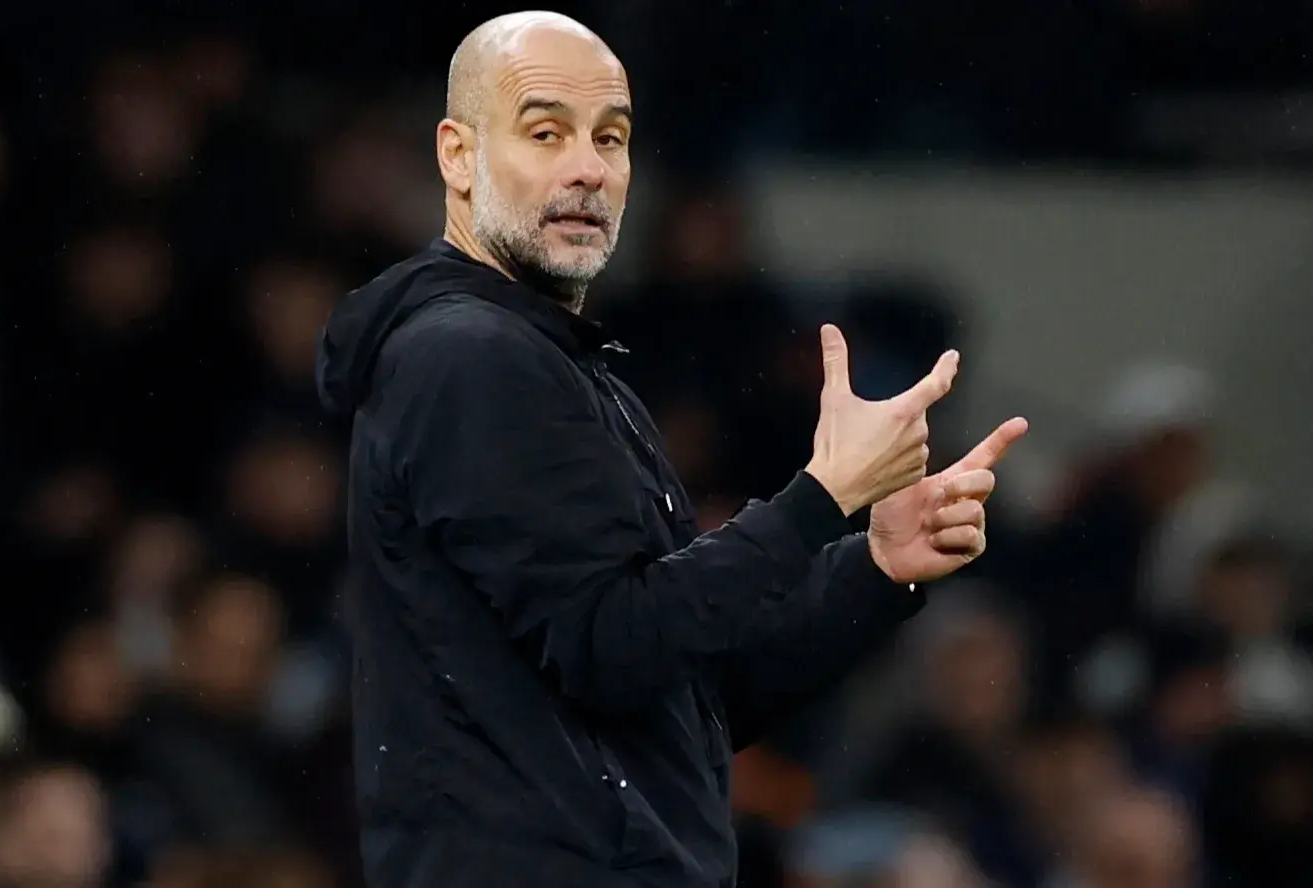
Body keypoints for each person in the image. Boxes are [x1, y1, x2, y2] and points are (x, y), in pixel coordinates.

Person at [315, 11, 1028, 888]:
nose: (588, 167)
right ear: (457, 156)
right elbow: (612, 650)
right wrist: (818, 501)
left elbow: (684, 697)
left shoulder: (566, 368)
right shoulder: (469, 356)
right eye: (545, 133)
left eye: (610, 138)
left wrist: (876, 565)